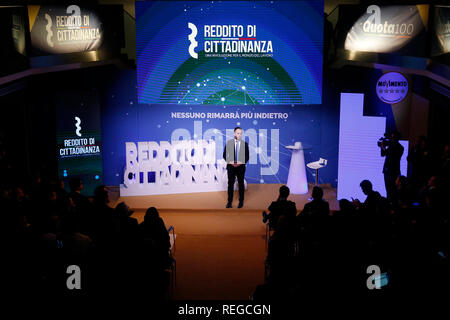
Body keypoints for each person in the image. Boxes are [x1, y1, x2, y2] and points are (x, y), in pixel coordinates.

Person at [223, 127, 249, 208]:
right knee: (230, 184)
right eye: (238, 133)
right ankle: (229, 202)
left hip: (240, 167)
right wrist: (231, 162)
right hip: (231, 167)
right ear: (234, 134)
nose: (239, 135)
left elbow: (247, 157)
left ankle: (241, 201)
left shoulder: (245, 144)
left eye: (241, 133)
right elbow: (224, 155)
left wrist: (239, 163)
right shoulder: (229, 143)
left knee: (241, 184)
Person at [380, 131, 404, 201]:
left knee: (393, 190)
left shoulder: (400, 147)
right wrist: (382, 147)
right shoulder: (390, 146)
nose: (391, 138)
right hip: (387, 171)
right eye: (391, 137)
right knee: (388, 190)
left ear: (397, 138)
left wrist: (384, 148)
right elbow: (383, 154)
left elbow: (392, 156)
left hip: (394, 172)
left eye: (393, 137)